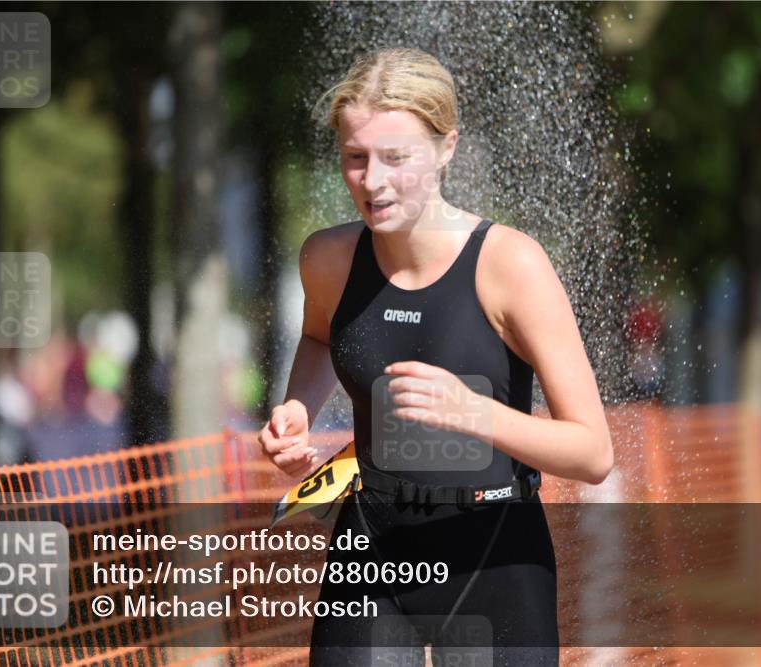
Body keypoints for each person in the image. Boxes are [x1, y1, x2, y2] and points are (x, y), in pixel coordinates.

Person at [257, 47, 613, 666]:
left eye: (397, 158)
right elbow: (319, 336)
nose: (373, 182)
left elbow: (593, 453)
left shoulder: (510, 265)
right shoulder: (328, 260)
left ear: (447, 148)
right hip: (370, 543)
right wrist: (297, 407)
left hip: (493, 553)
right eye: (355, 158)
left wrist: (475, 413)